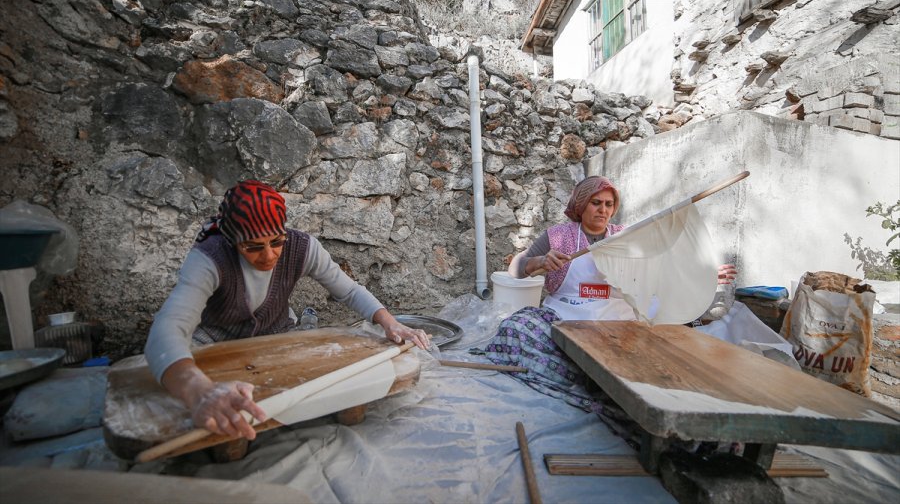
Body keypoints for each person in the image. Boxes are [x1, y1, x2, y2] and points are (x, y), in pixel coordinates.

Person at [144, 180, 429, 441]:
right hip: (215, 342)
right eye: (253, 246)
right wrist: (199, 391)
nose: (268, 255)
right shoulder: (209, 258)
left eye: (276, 241)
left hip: (277, 334)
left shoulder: (302, 247)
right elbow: (169, 327)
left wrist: (389, 323)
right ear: (233, 241)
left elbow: (350, 290)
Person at [483, 176, 734, 410]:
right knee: (516, 326)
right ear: (581, 206)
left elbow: (659, 270)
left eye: (609, 204)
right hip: (566, 314)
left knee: (658, 351)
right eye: (596, 203)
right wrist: (539, 261)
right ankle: (585, 379)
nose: (603, 209)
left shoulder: (626, 237)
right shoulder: (558, 237)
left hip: (616, 320)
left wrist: (702, 274)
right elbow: (515, 269)